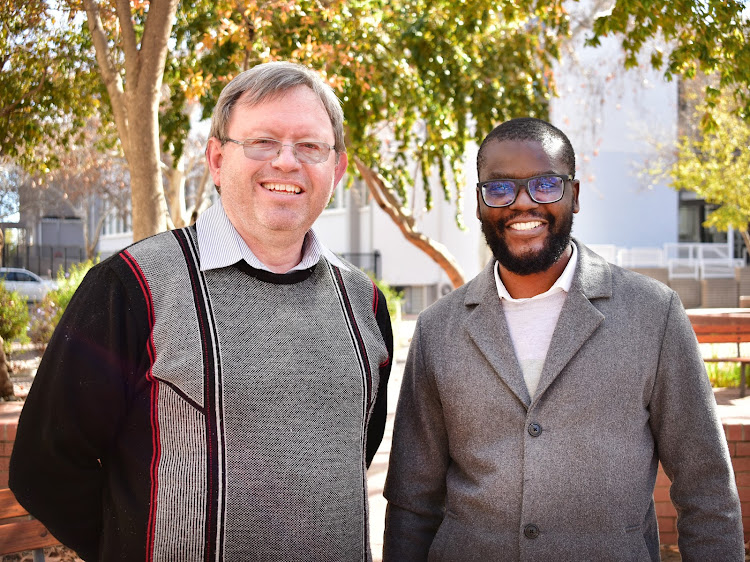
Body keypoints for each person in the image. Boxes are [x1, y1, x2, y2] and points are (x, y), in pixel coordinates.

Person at [10, 61, 393, 562]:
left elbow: (351, 451)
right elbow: (46, 467)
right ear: (216, 159)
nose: (286, 162)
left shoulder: (364, 302)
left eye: (310, 146)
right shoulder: (132, 285)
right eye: (261, 142)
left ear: (337, 168)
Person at [382, 117, 743, 561]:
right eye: (499, 189)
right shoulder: (438, 328)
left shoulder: (654, 314)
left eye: (546, 184)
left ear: (574, 195)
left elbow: (705, 489)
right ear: (479, 204)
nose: (523, 203)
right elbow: (412, 502)